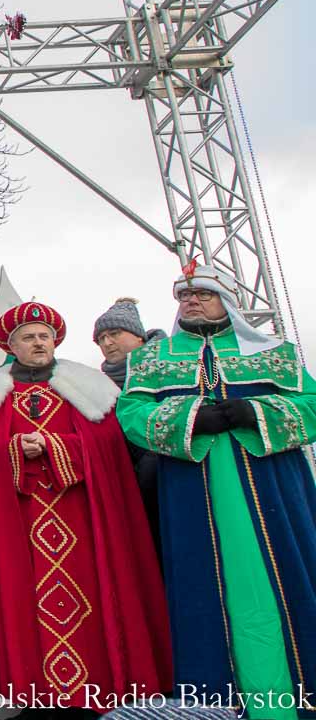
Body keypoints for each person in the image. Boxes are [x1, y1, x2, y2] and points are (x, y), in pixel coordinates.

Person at [116, 263, 316, 719]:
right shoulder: (152, 359)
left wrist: (257, 412)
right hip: (190, 494)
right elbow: (130, 414)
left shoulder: (275, 353)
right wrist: (188, 419)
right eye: (183, 295)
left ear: (227, 300)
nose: (190, 301)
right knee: (200, 594)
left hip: (274, 493)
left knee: (287, 584)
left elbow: (313, 405)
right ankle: (216, 708)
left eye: (202, 293)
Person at [0, 301, 170, 712]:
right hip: (21, 525)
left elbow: (109, 450)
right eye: (29, 338)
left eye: (44, 336)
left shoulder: (86, 386)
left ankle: (103, 688)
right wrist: (14, 448)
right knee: (26, 606)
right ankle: (37, 695)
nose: (38, 343)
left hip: (85, 523)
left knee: (98, 601)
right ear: (11, 346)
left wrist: (57, 446)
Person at [93, 297, 165, 542]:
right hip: (131, 494)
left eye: (114, 333)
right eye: (101, 339)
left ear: (139, 336)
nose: (107, 342)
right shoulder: (101, 387)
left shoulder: (171, 367)